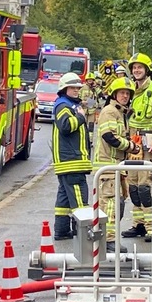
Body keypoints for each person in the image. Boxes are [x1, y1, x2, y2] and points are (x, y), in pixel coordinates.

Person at [121, 53, 152, 242]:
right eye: (134, 68)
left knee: (145, 188)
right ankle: (138, 225)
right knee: (133, 187)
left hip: (147, 144)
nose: (136, 70)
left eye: (140, 67)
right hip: (133, 144)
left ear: (146, 69)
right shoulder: (131, 90)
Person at [94, 77, 141, 253]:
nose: (125, 96)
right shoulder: (110, 111)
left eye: (128, 94)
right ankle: (108, 241)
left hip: (117, 167)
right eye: (122, 93)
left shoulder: (121, 113)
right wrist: (131, 146)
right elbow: (109, 137)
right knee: (110, 207)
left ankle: (108, 239)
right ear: (114, 94)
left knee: (117, 206)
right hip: (107, 167)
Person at [51, 72, 93, 240]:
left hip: (68, 162)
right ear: (64, 89)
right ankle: (84, 234)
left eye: (78, 88)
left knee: (64, 199)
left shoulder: (67, 104)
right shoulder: (63, 106)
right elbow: (66, 126)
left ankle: (62, 231)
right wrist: (81, 117)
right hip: (72, 162)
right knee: (79, 200)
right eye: (73, 88)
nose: (77, 90)